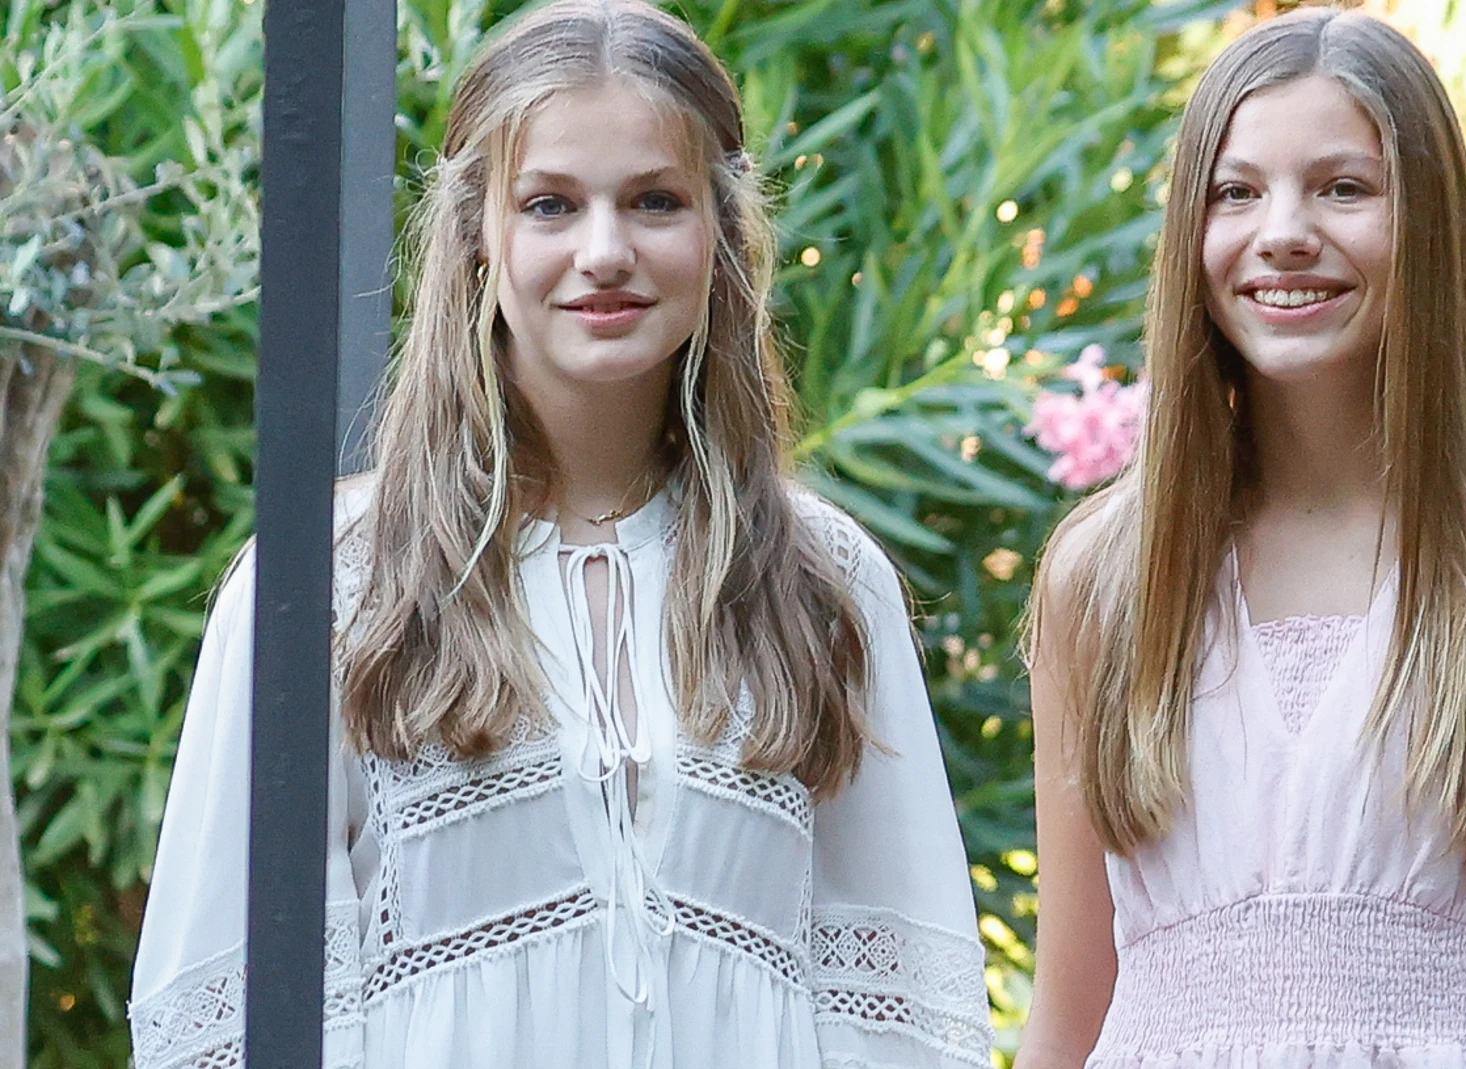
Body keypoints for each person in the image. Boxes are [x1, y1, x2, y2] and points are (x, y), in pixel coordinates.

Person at [128, 2, 992, 1066]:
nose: (604, 251)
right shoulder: (336, 579)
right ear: (477, 236)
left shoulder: (822, 580)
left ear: (720, 231)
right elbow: (231, 1008)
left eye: (654, 202)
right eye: (549, 204)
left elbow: (895, 1017)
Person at [1016, 8, 1466, 1069]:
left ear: (1431, 223)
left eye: (1342, 187)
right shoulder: (1105, 578)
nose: (1283, 230)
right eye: (1237, 191)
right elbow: (1067, 1013)